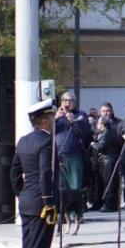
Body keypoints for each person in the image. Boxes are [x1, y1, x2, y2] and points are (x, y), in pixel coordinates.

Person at [9, 100, 58, 248]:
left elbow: (13, 172)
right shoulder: (46, 142)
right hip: (41, 205)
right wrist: (48, 202)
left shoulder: (24, 141)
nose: (55, 122)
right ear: (45, 121)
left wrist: (21, 193)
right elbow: (46, 173)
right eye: (53, 119)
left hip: (27, 202)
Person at [55, 92, 92, 224]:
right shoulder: (56, 115)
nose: (67, 103)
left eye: (70, 101)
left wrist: (74, 121)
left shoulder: (80, 114)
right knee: (61, 187)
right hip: (59, 155)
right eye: (65, 100)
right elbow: (48, 130)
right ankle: (62, 214)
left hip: (75, 155)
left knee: (75, 186)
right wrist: (55, 118)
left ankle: (77, 214)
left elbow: (87, 131)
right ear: (61, 102)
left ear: (74, 103)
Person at [91, 116, 123, 212]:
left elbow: (100, 147)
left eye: (98, 124)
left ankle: (109, 205)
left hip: (108, 160)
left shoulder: (107, 133)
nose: (97, 126)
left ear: (102, 124)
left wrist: (93, 144)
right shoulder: (113, 131)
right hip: (111, 159)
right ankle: (107, 203)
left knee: (109, 183)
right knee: (109, 183)